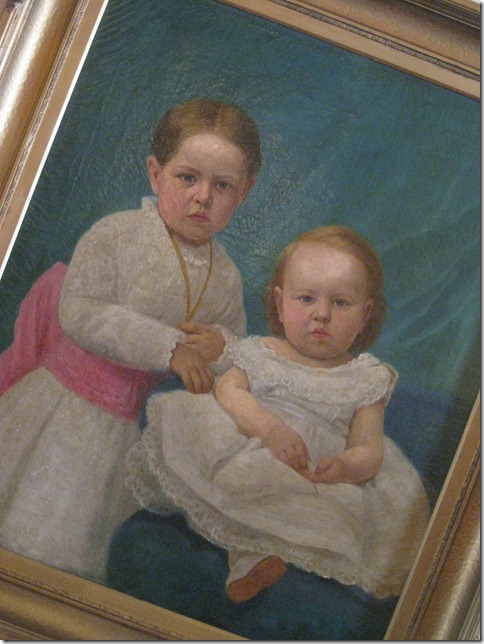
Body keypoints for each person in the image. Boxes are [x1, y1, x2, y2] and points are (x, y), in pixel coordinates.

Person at [0, 98, 261, 582]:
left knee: (103, 555)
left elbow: (236, 352)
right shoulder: (116, 235)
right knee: (40, 539)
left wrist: (221, 348)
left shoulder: (227, 275)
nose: (203, 197)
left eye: (222, 185)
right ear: (155, 174)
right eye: (188, 178)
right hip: (69, 411)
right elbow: (81, 310)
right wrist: (169, 348)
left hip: (139, 430)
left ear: (244, 191)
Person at [125, 225, 430, 603]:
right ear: (280, 304)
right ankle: (249, 557)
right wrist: (270, 430)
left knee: (335, 515)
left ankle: (266, 557)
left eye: (340, 303)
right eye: (306, 299)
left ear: (365, 315)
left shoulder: (366, 378)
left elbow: (369, 449)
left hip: (318, 472)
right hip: (261, 443)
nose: (321, 315)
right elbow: (228, 390)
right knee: (243, 479)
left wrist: (344, 466)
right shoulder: (262, 352)